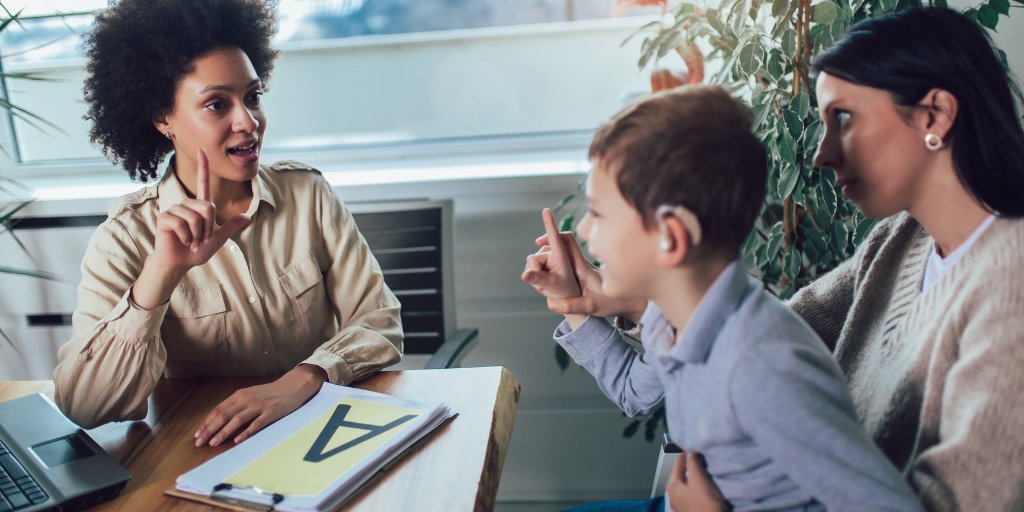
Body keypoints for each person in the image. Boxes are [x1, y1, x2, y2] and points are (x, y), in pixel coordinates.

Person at [532, 7, 1024, 511]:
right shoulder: (901, 240)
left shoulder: (1011, 290)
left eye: (844, 118)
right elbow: (756, 330)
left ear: (933, 116)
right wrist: (623, 294)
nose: (820, 153)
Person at [522, 85, 921, 511]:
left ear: (671, 238)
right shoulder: (675, 317)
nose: (582, 231)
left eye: (598, 213)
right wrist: (574, 306)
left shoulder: (761, 367)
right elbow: (633, 391)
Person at [53, 0, 403, 448]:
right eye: (217, 104)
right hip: (203, 448)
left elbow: (380, 320)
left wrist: (301, 380)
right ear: (163, 118)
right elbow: (85, 407)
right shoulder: (124, 239)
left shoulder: (308, 194)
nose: (249, 121)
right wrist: (161, 275)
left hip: (322, 434)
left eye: (253, 97)